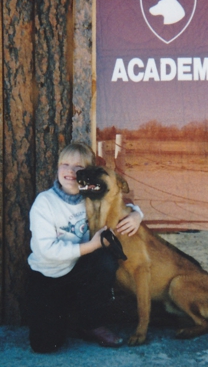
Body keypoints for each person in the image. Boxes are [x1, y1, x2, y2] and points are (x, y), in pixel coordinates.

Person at [27, 142, 143, 353]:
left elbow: (117, 202)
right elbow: (47, 250)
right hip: (48, 276)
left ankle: (91, 323)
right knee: (45, 345)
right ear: (58, 168)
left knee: (105, 261)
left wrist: (136, 214)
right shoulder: (44, 202)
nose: (71, 171)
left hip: (80, 271)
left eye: (79, 168)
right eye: (65, 165)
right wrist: (91, 245)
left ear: (88, 174)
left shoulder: (91, 196)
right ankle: (63, 315)